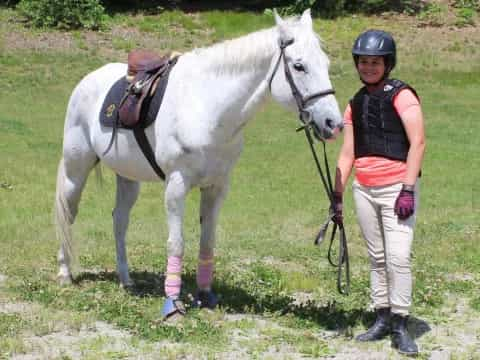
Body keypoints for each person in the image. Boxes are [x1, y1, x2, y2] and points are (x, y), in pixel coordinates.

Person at [332, 30, 425, 356]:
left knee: (398, 258)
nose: (369, 67)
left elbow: (418, 143)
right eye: (364, 61)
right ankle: (381, 317)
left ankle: (401, 323)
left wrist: (408, 189)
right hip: (365, 190)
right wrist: (337, 194)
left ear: (388, 63)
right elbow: (347, 153)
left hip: (396, 189)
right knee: (377, 258)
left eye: (376, 62)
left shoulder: (402, 96)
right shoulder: (354, 104)